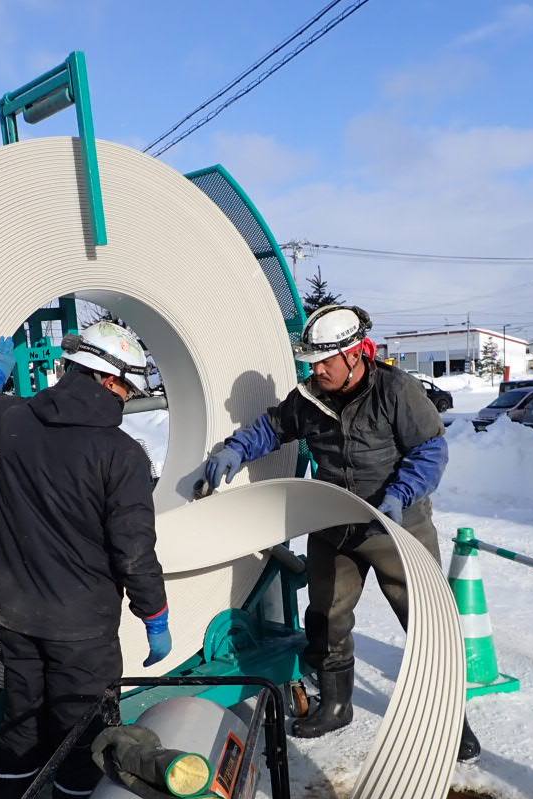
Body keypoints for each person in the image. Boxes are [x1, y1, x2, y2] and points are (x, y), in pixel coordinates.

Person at [200, 304, 480, 760]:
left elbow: (430, 451)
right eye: (311, 362)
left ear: (354, 354)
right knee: (327, 616)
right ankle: (335, 704)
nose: (317, 370)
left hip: (397, 527)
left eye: (325, 361)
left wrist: (400, 494)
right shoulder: (311, 396)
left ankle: (452, 720)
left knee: (428, 625)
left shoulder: (397, 390)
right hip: (335, 523)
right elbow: (273, 427)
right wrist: (236, 450)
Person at [0, 321, 173, 799]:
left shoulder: (15, 420)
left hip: (17, 617)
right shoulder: (122, 455)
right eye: (127, 388)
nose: (127, 398)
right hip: (83, 631)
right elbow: (133, 550)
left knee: (20, 728)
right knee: (82, 741)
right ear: (110, 380)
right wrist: (155, 614)